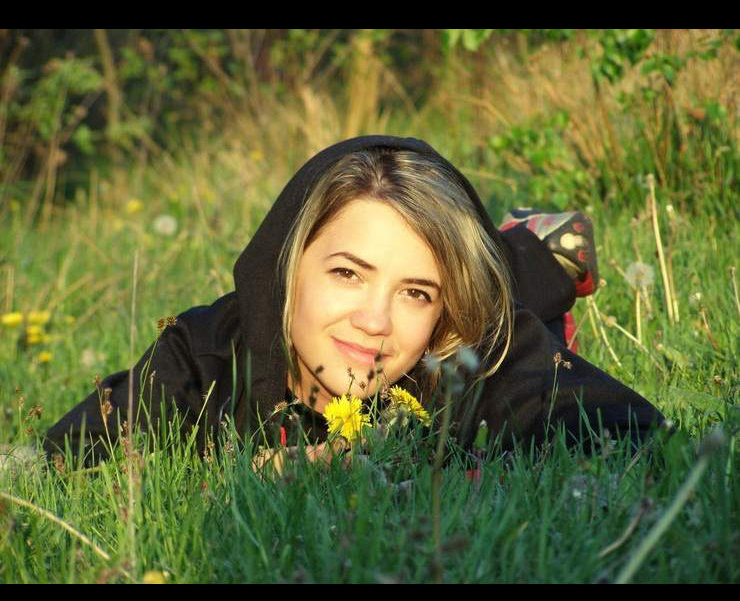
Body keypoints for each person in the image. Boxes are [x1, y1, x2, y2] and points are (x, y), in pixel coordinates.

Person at [44, 135, 663, 465]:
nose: (373, 321)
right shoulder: (204, 355)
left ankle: (540, 252)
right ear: (287, 264)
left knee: (504, 281)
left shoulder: (471, 354)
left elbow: (637, 441)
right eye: (347, 272)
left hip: (492, 293)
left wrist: (414, 462)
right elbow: (63, 458)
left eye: (416, 293)